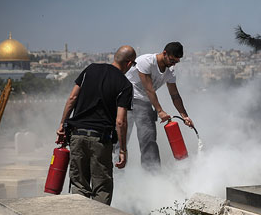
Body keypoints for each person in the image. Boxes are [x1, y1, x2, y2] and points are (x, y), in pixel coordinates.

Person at [56, 45, 136, 205]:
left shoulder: (90, 69)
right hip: (100, 140)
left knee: (79, 185)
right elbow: (120, 121)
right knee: (102, 187)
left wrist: (62, 125)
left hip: (76, 135)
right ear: (128, 63)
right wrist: (122, 150)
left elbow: (72, 98)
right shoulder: (125, 85)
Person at [124, 41, 194, 170]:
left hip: (145, 104)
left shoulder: (170, 70)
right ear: (165, 53)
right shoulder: (146, 61)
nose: (173, 64)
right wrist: (160, 111)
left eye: (176, 62)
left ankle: (152, 177)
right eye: (172, 60)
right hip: (126, 101)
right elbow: (149, 89)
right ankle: (116, 177)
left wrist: (185, 117)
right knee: (120, 141)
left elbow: (175, 95)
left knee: (149, 141)